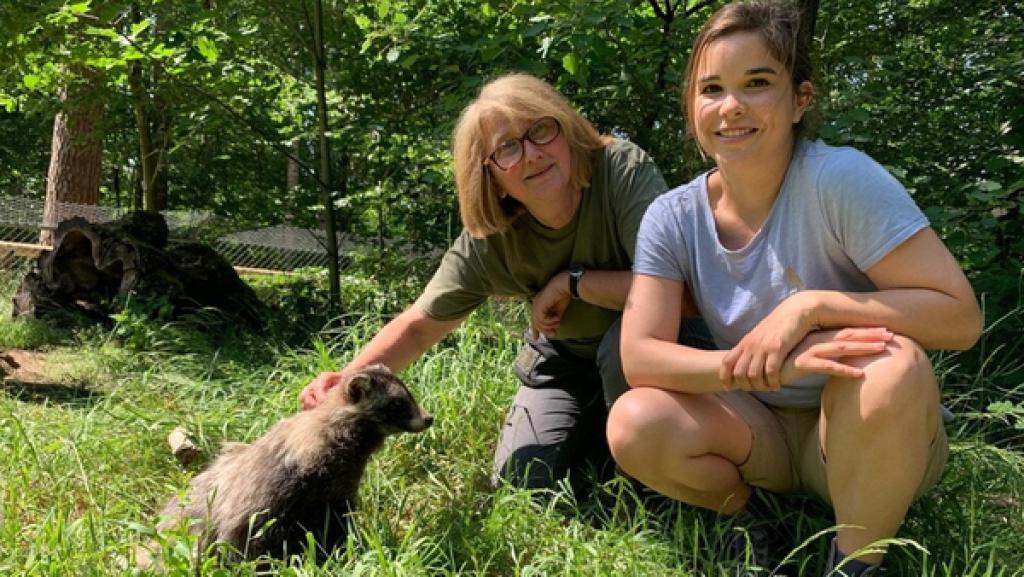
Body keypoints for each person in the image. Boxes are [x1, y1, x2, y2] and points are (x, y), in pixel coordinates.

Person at [606, 1, 983, 575]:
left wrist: (813, 306)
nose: (731, 107)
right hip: (760, 431)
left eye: (757, 83)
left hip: (871, 425)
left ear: (799, 98)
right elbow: (640, 356)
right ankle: (750, 517)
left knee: (892, 364)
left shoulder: (839, 180)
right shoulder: (672, 216)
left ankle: (857, 560)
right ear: (692, 107)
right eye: (711, 89)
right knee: (635, 421)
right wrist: (760, 366)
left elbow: (960, 318)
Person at [300, 73, 669, 494]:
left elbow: (674, 289)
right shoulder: (489, 240)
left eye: (541, 130)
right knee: (522, 485)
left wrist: (571, 283)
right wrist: (343, 385)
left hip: (647, 346)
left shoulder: (621, 170)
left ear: (566, 130)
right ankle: (601, 435)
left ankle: (649, 475)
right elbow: (420, 325)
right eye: (508, 148)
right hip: (563, 359)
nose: (531, 154)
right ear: (490, 174)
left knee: (621, 351)